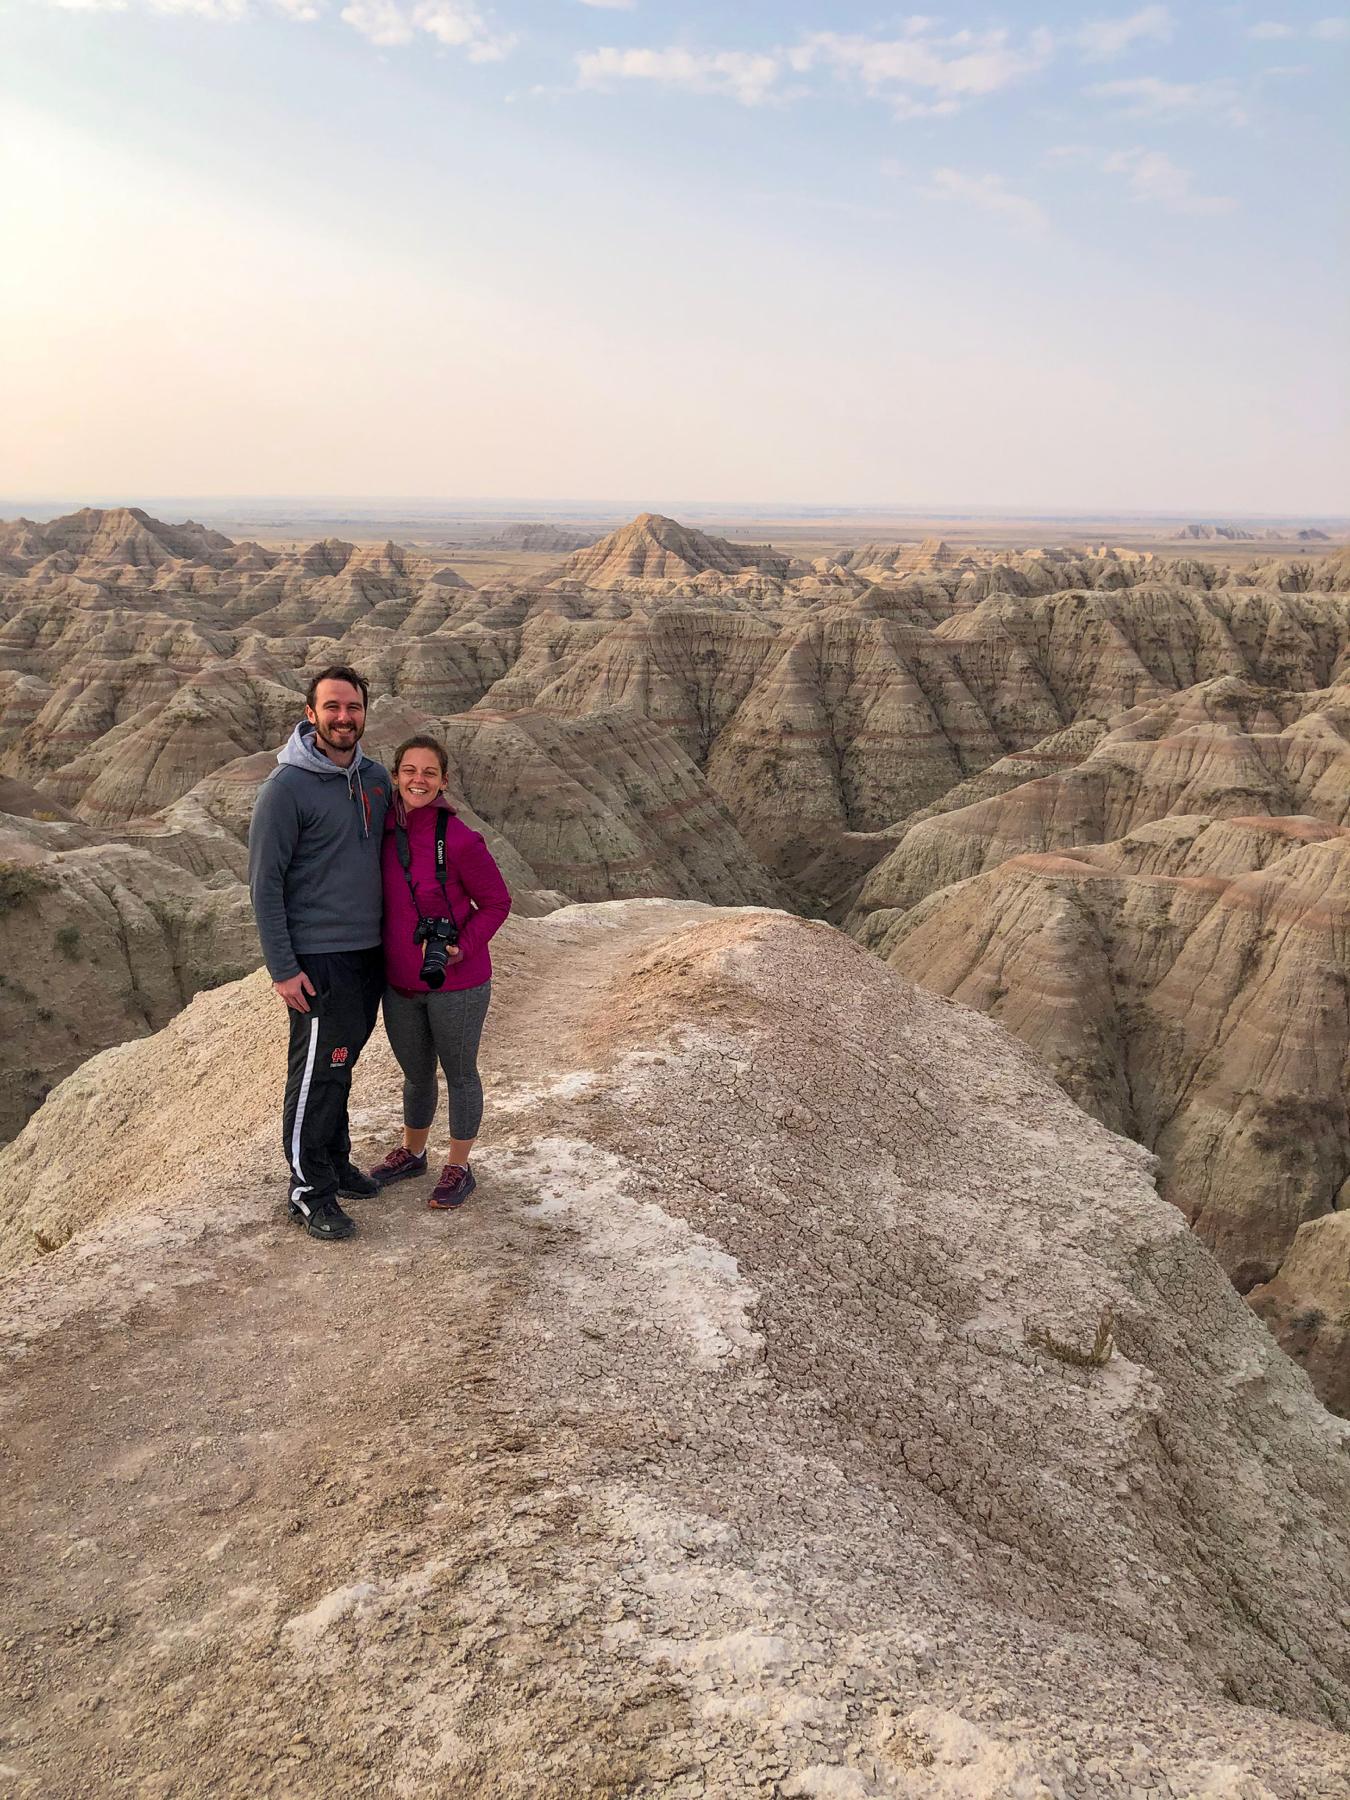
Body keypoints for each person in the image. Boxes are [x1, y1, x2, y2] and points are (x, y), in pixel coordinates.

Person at [247, 665, 392, 1242]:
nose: (342, 718)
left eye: (352, 707)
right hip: (318, 958)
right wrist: (283, 967)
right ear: (311, 714)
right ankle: (309, 1190)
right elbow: (264, 884)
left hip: (368, 953)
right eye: (331, 707)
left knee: (341, 1064)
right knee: (315, 1072)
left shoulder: (375, 779)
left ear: (364, 713)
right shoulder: (284, 789)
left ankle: (333, 1161)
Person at [368, 735, 511, 1209]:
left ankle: (459, 1165)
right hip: (400, 982)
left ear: (444, 781)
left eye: (429, 773)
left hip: (459, 982)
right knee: (416, 1074)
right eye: (409, 771)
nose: (418, 780)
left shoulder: (462, 840)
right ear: (395, 776)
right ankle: (413, 1152)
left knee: (460, 1073)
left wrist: (461, 948)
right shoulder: (380, 830)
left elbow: (496, 902)